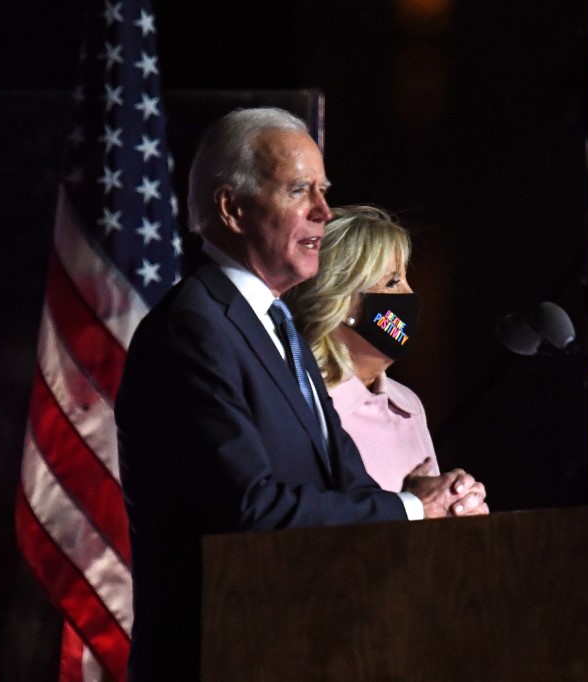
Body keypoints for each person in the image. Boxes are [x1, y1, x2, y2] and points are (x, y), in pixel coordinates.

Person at [114, 107, 488, 681]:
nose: (323, 210)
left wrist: (430, 500)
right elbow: (248, 509)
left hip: (304, 645)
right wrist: (412, 510)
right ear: (230, 207)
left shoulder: (275, 327)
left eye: (323, 190)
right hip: (223, 657)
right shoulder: (193, 329)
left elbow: (346, 479)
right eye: (298, 190)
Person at [286, 205, 440, 492]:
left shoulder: (408, 404)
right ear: (341, 303)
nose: (409, 295)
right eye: (393, 282)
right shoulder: (303, 405)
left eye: (406, 279)